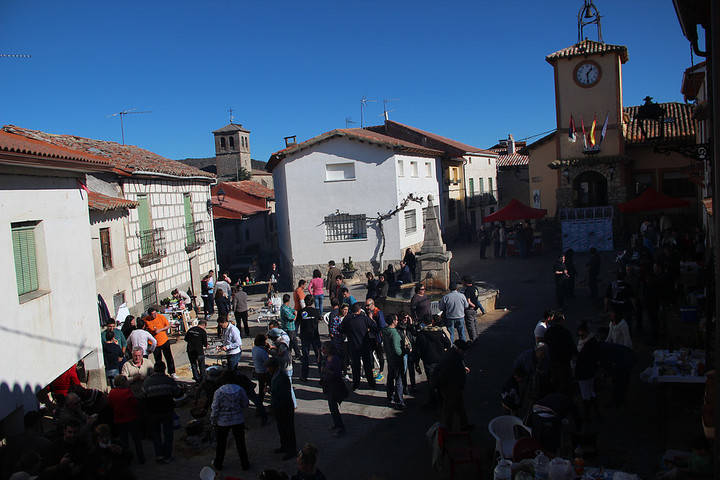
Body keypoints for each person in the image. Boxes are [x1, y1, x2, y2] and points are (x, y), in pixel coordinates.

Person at [210, 371, 250, 471]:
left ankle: (218, 463)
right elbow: (245, 403)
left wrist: (213, 420)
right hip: (238, 420)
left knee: (221, 444)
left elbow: (215, 408)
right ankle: (245, 464)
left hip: (223, 422)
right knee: (240, 443)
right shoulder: (240, 390)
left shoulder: (219, 392)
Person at [142, 361, 181, 463]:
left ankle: (159, 455)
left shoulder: (147, 382)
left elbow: (144, 395)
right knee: (168, 433)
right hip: (167, 411)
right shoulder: (169, 380)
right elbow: (177, 393)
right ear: (164, 369)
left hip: (153, 412)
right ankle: (167, 456)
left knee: (156, 434)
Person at [414, 315, 451, 406]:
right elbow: (448, 344)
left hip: (428, 361)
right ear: (433, 322)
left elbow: (418, 351)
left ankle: (433, 401)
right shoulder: (439, 332)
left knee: (431, 382)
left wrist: (417, 363)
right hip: (441, 360)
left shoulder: (421, 334)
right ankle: (442, 400)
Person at [340, 302, 378, 390]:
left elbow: (341, 329)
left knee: (355, 366)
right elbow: (374, 327)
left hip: (353, 345)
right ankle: (371, 382)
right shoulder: (364, 318)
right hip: (364, 345)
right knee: (367, 365)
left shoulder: (347, 319)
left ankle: (356, 383)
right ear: (359, 310)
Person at [107, 375, 145, 464]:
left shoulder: (112, 393)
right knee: (136, 439)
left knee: (124, 441)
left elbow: (110, 405)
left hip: (119, 420)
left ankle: (126, 458)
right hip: (131, 418)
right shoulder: (127, 392)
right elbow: (134, 404)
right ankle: (141, 458)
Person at [435, 340, 472, 431]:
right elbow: (444, 374)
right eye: (463, 350)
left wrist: (463, 369)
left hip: (453, 387)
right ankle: (447, 430)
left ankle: (463, 425)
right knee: (449, 409)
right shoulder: (452, 358)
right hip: (451, 387)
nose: (464, 353)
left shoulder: (452, 355)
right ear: (459, 349)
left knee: (459, 407)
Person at [266, 357, 297, 460]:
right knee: (281, 429)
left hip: (285, 407)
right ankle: (284, 446)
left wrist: (271, 393)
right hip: (279, 407)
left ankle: (292, 450)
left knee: (288, 429)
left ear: (273, 367)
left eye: (269, 367)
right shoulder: (275, 375)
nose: (267, 369)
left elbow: (283, 394)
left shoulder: (282, 377)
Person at [543, 313, 575, 395]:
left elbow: (545, 345)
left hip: (553, 360)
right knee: (565, 382)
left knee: (555, 381)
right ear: (561, 321)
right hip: (564, 361)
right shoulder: (565, 332)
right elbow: (572, 346)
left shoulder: (549, 332)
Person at [320, 342, 347, 436]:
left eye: (323, 348)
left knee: (334, 407)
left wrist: (327, 371)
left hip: (334, 386)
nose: (322, 350)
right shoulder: (326, 358)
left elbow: (337, 374)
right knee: (332, 407)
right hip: (328, 385)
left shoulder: (335, 359)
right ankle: (336, 424)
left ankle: (340, 427)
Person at [268, 323, 297, 409]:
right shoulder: (281, 343)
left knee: (288, 387)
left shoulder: (282, 345)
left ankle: (293, 404)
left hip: (286, 368)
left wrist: (271, 353)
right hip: (285, 367)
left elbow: (280, 357)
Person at [576, 322, 601, 421]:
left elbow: (583, 358)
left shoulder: (587, 345)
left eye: (581, 335)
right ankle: (596, 412)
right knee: (591, 392)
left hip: (584, 371)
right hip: (590, 371)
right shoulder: (592, 341)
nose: (580, 337)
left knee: (585, 394)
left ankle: (587, 415)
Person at [382, 314, 405, 409]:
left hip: (389, 358)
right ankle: (399, 400)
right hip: (396, 359)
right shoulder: (394, 333)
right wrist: (403, 352)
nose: (397, 321)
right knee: (399, 380)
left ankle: (390, 397)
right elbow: (397, 349)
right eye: (396, 320)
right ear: (393, 321)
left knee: (390, 378)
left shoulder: (385, 331)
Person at [146, 307, 176, 377]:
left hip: (164, 340)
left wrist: (160, 330)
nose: (154, 315)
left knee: (169, 357)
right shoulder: (146, 320)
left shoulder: (161, 317)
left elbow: (168, 325)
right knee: (158, 359)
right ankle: (160, 373)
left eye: (155, 313)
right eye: (152, 314)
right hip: (155, 344)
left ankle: (172, 372)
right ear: (149, 315)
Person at [299, 294, 322, 381]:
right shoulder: (316, 311)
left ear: (305, 302)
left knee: (305, 357)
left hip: (305, 336)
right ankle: (321, 374)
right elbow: (319, 319)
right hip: (314, 335)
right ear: (312, 302)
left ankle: (304, 376)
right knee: (318, 356)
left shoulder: (301, 312)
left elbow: (299, 321)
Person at [462, 276, 485, 342]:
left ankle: (473, 339)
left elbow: (468, 301)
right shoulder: (475, 288)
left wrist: (473, 305)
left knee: (470, 325)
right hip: (474, 310)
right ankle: (476, 337)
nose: (462, 283)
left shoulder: (468, 290)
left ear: (465, 282)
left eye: (463, 281)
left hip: (470, 309)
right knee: (474, 324)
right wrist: (475, 306)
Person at [253, 334, 271, 403]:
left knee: (262, 387)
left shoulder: (255, 348)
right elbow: (267, 362)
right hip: (264, 371)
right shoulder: (262, 351)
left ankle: (259, 402)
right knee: (269, 387)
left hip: (259, 371)